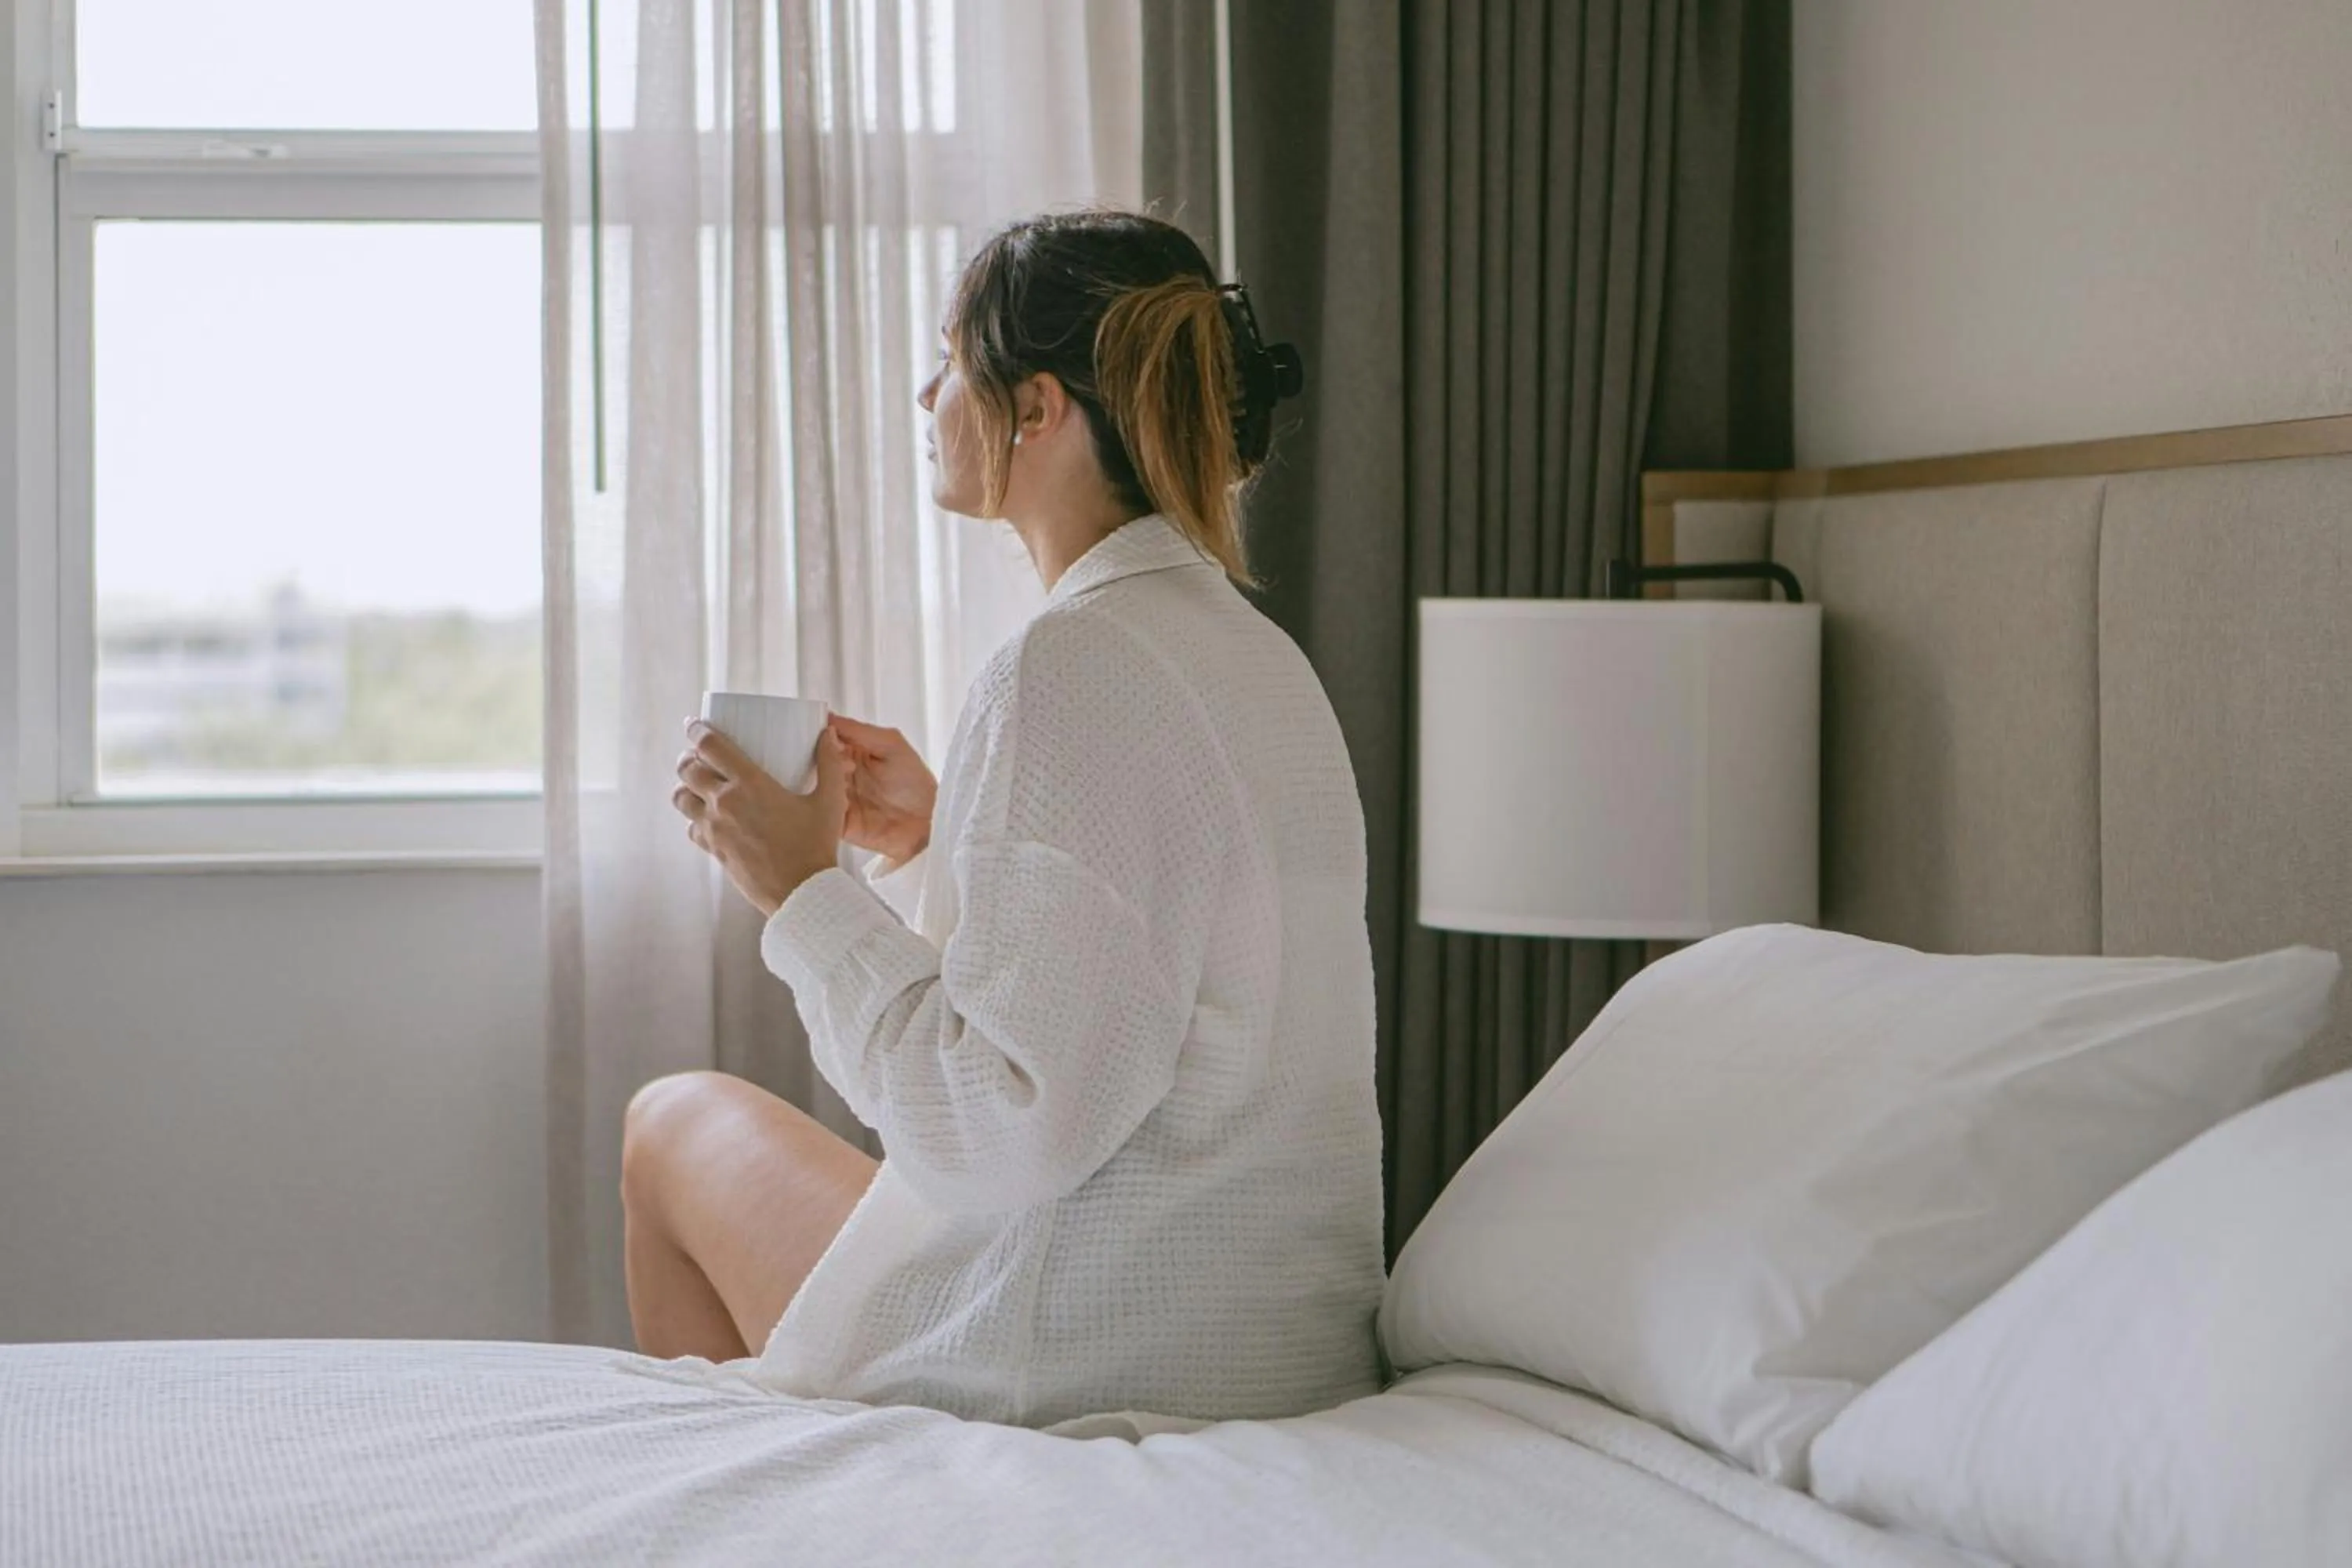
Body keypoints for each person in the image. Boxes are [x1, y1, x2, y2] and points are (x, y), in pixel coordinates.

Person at [630, 209, 1384, 1427]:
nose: (926, 394)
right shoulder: (1254, 657)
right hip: (1269, 1347)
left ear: (1035, 410)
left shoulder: (1066, 665)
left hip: (1090, 1357)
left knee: (667, 1124)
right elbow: (1161, 981)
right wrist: (943, 842)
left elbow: (998, 1133)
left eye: (949, 362)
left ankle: (763, 1504)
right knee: (688, 1132)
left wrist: (802, 894)